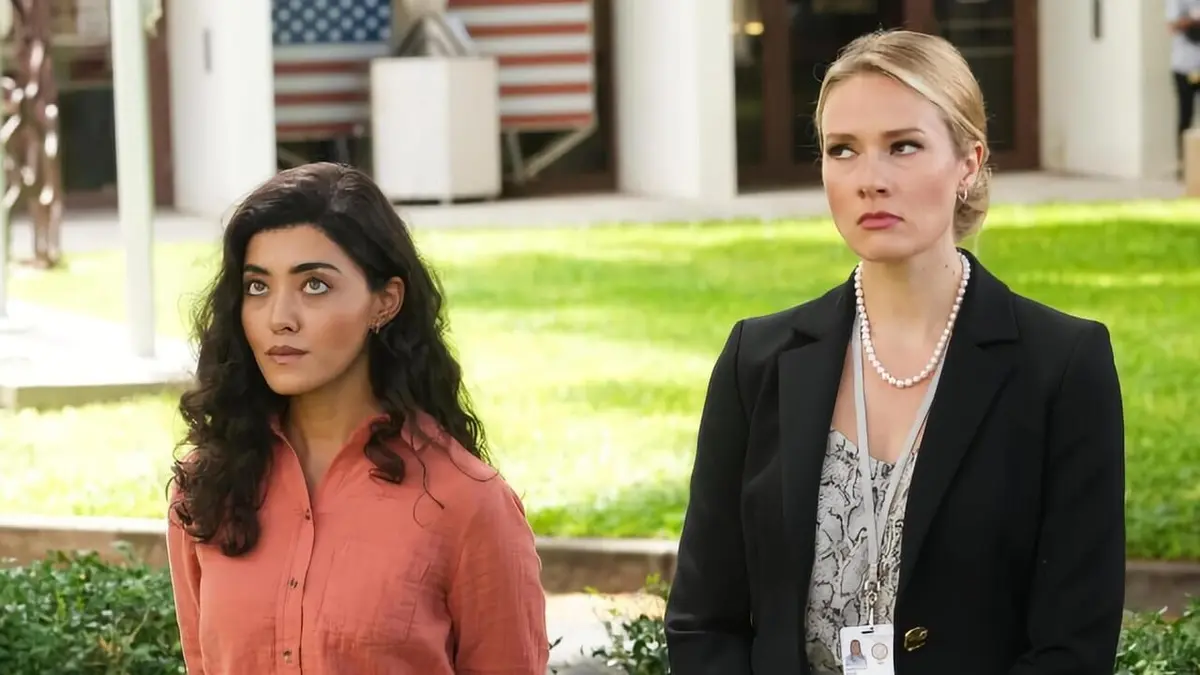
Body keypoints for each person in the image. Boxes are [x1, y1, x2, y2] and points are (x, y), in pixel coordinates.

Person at [664, 30, 1125, 675]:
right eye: (842, 150)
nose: (870, 180)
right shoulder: (758, 359)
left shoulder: (1062, 365)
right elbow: (703, 620)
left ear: (968, 162)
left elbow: (1072, 645)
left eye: (903, 146)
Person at [165, 163, 549, 674]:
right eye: (258, 287)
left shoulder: (466, 504)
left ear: (384, 302)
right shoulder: (208, 486)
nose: (280, 317)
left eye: (314, 285)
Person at [1168, 0, 1200, 166]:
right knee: (1185, 115)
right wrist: (1192, 20)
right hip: (1184, 66)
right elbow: (1172, 26)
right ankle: (1184, 164)